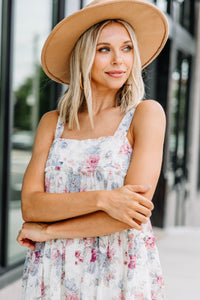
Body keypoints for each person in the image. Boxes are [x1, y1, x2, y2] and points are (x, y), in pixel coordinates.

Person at [17, 0, 168, 299]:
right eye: (104, 49)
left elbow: (132, 214)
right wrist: (105, 198)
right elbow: (31, 206)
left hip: (119, 268)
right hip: (51, 269)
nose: (119, 60)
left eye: (127, 48)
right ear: (83, 56)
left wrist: (49, 231)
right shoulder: (52, 123)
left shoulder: (145, 115)